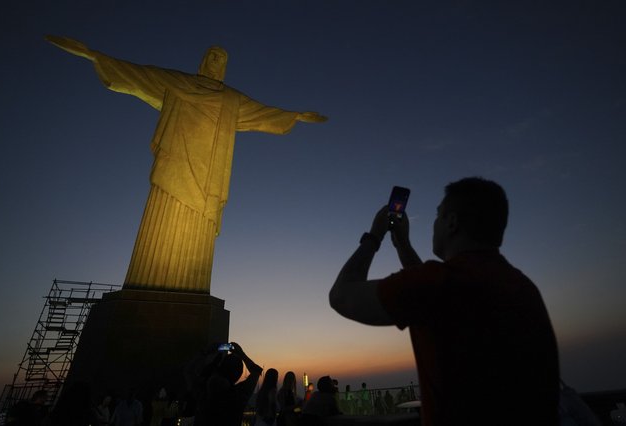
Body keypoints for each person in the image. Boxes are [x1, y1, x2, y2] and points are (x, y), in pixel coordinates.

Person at [45, 35, 327, 294]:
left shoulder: (231, 99)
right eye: (213, 56)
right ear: (204, 61)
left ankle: (189, 291)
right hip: (175, 163)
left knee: (200, 226)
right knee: (162, 218)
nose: (216, 62)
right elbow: (138, 74)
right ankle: (144, 285)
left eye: (222, 59)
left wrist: (296, 116)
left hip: (208, 175)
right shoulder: (178, 82)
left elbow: (263, 112)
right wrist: (95, 56)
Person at [329, 177, 560, 426]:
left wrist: (374, 236)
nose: (434, 224)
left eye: (438, 216)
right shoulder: (522, 286)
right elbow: (431, 298)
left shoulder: (441, 284)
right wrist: (403, 245)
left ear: (452, 222)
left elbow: (342, 296)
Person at [195, 342, 262, 426]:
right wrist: (241, 354)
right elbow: (256, 371)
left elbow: (190, 371)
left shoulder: (204, 390)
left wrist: (206, 352)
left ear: (220, 368)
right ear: (238, 375)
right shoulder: (239, 395)